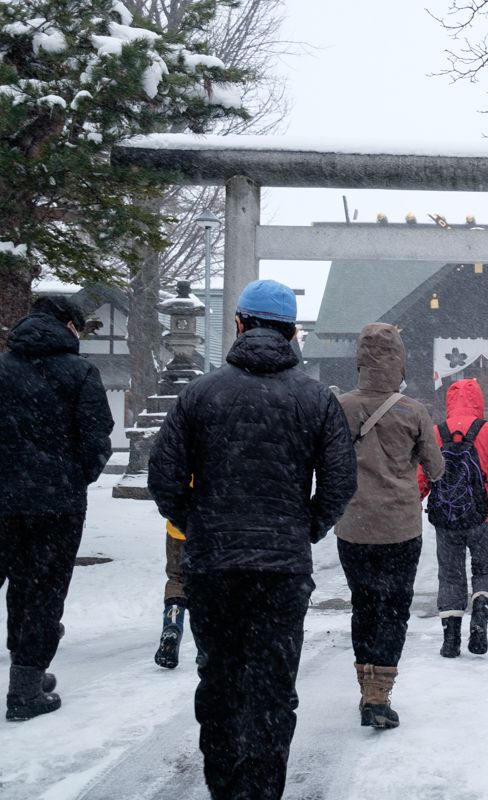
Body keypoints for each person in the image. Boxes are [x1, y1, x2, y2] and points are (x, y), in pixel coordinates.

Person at [148, 279, 356, 799]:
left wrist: (198, 525)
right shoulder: (315, 399)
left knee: (218, 681)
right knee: (272, 688)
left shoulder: (200, 393)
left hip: (214, 564)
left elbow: (164, 475)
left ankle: (224, 786)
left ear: (239, 323)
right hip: (281, 567)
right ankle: (262, 790)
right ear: (292, 333)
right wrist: (304, 526)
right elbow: (339, 481)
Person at [0, 295, 113, 721]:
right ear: (69, 326)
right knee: (41, 590)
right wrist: (71, 479)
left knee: (14, 584)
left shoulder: (2, 369)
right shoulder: (80, 373)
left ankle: (26, 674)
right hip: (56, 505)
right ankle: (26, 684)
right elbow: (97, 437)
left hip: (2, 499)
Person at [334, 323, 443, 729]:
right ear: (398, 360)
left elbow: (326, 462)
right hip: (400, 526)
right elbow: (436, 467)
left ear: (360, 361)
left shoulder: (340, 407)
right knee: (395, 607)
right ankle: (379, 695)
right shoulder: (413, 410)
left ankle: (365, 685)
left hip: (353, 526)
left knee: (363, 603)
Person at [421, 378, 488, 658]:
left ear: (449, 403)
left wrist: (415, 498)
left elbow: (424, 471)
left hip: (446, 517)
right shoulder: (487, 430)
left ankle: (451, 638)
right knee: (485, 570)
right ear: (479, 400)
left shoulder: (437, 432)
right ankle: (481, 611)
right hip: (483, 515)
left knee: (450, 575)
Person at [153, 519, 187, 669]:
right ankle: (209, 643)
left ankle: (173, 624)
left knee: (177, 578)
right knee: (210, 579)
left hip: (178, 528)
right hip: (214, 529)